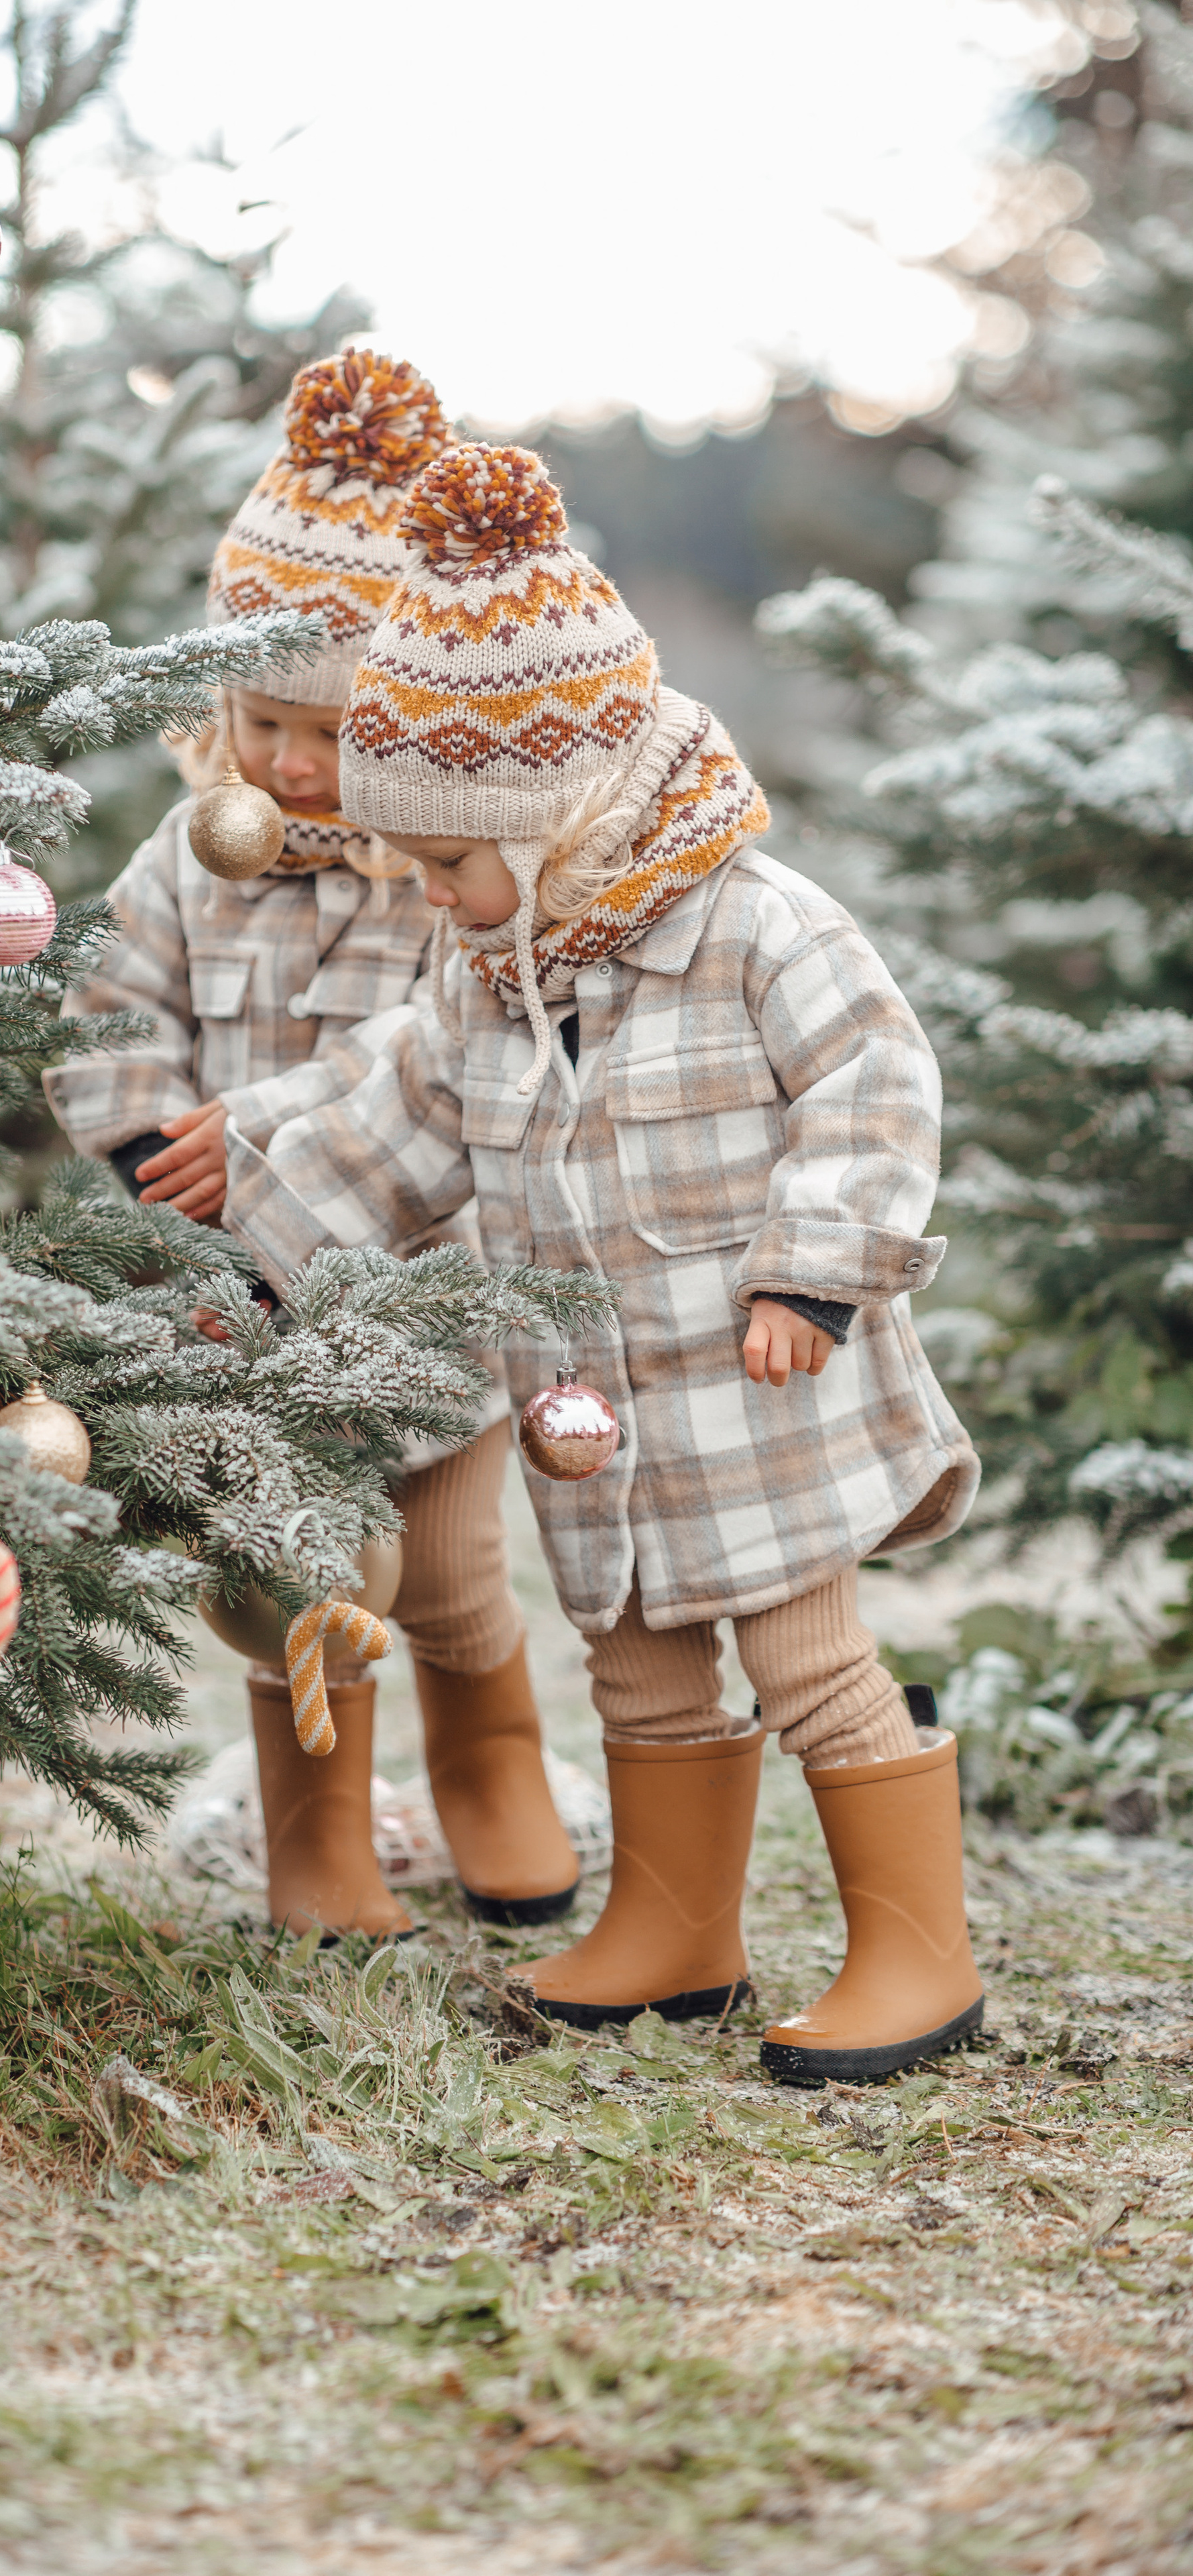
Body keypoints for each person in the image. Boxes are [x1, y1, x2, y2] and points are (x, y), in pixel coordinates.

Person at [221, 440, 985, 2085]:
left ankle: (919, 1958)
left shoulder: (753, 926)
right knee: (635, 1663)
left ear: (551, 818)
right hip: (595, 1415)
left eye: (445, 860)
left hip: (756, 1389)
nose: (425, 892)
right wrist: (268, 1266)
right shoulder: (488, 976)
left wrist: (811, 1272)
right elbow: (391, 1132)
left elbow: (875, 1081)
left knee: (803, 1663)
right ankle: (672, 1930)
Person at [44, 358, 579, 1944]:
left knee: (449, 1574)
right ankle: (319, 1848)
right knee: (299, 1567)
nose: (286, 765)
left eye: (326, 732)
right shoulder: (194, 857)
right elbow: (107, 1003)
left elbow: (429, 1052)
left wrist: (257, 1135)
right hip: (246, 1301)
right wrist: (156, 1151)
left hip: (431, 1284)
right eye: (260, 719)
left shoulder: (445, 877)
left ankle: (491, 1771)